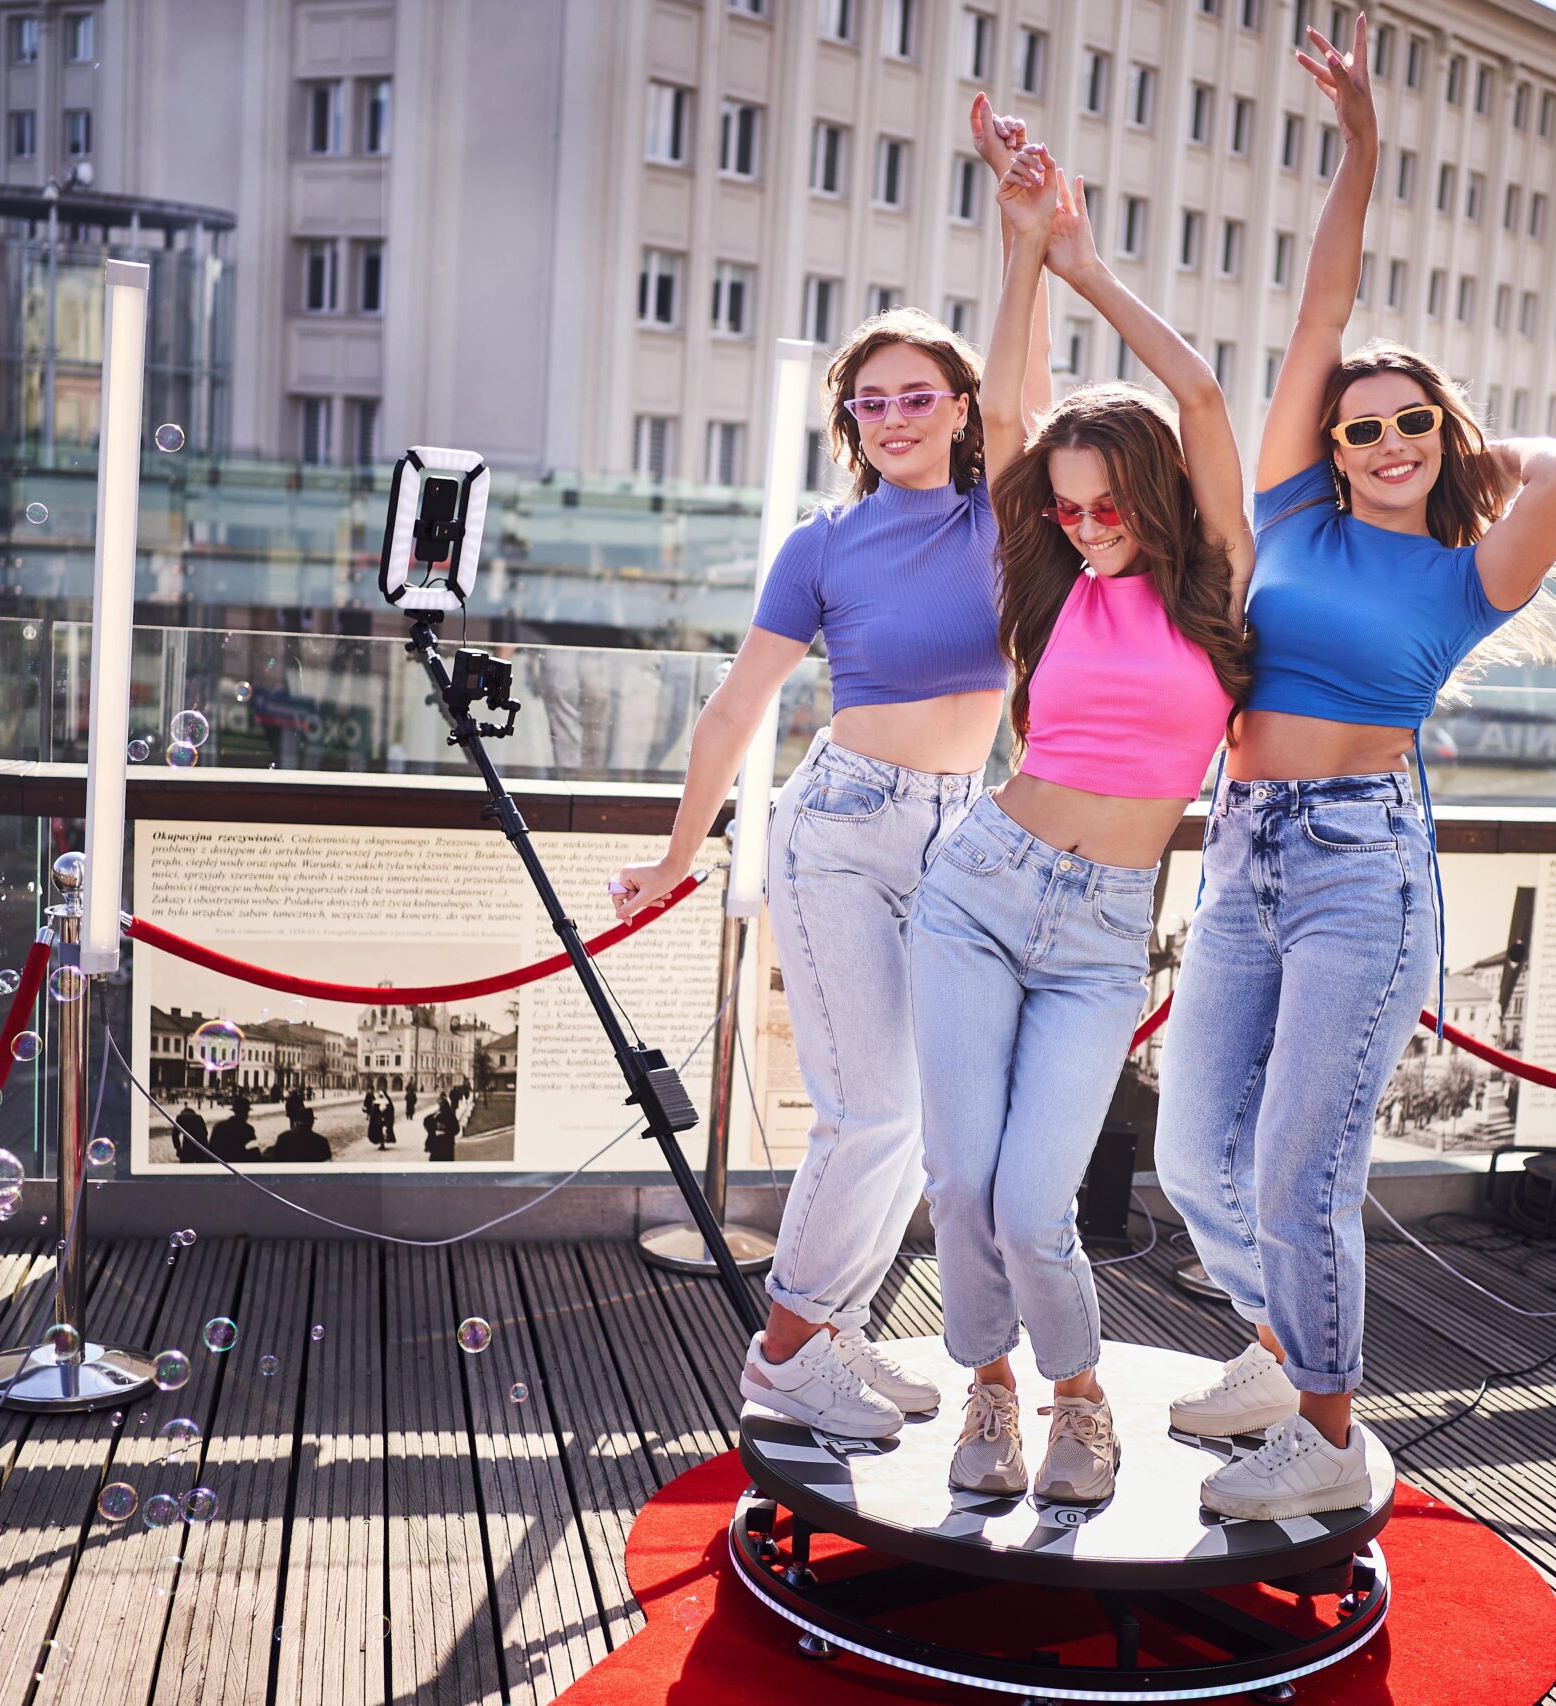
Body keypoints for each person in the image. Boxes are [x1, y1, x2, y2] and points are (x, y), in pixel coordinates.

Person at [1155, 12, 1556, 1522]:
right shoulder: (1290, 508)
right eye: (1364, 427)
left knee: (1301, 1173)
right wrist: (1360, 147)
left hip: (1363, 862)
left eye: (1410, 424)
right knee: (1192, 1152)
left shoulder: (1472, 575)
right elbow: (1319, 312)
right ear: (1328, 448)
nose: (1386, 439)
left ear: (1437, 436)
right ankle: (1285, 1348)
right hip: (1242, 848)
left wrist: (1465, 449)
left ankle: (1328, 1430)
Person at [609, 97, 1053, 1444]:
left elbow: (1027, 389)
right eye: (872, 401)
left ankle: (838, 1325)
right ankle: (790, 1349)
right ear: (850, 423)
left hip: (962, 834)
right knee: (867, 1108)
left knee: (915, 1118)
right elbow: (735, 709)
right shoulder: (821, 544)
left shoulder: (1003, 515)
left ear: (960, 408)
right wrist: (678, 856)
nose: (895, 415)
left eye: (920, 395)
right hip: (843, 828)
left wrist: (1025, 235)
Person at [910, 153, 1249, 1503]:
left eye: (1111, 505)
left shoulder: (1215, 580)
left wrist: (1083, 266)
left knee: (1030, 1196)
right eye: (1067, 505)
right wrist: (1017, 251)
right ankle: (989, 1388)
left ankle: (1080, 1396)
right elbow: (1005, 413)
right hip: (980, 889)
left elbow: (1203, 396)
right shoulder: (1050, 585)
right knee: (960, 1179)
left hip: (1106, 927)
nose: (1087, 524)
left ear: (1155, 496)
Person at [207, 1094, 259, 1165]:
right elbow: (254, 1152)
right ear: (246, 1113)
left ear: (234, 1111)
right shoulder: (247, 1129)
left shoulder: (219, 1126)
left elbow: (211, 1149)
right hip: (238, 1165)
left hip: (218, 1164)